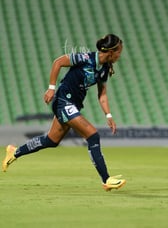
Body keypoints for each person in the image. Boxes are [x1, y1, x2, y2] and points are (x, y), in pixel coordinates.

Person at [2, 34, 126, 191]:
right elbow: (58, 62)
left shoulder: (105, 69)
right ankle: (106, 179)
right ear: (111, 51)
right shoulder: (85, 58)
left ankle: (14, 151)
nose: (119, 55)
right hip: (63, 101)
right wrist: (51, 88)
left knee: (51, 140)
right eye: (119, 52)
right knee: (92, 135)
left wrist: (109, 115)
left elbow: (102, 94)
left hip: (73, 104)